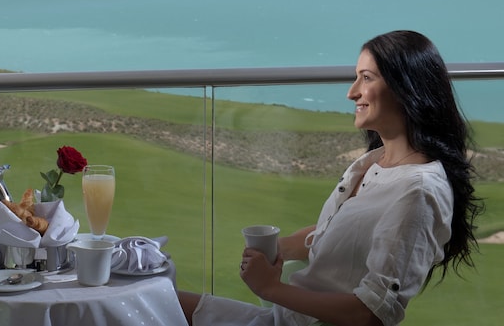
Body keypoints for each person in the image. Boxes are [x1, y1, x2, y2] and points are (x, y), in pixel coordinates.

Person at [177, 30, 482, 326]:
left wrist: (270, 288)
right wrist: (277, 248)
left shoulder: (418, 192)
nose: (352, 92)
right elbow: (348, 234)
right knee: (160, 299)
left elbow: (372, 314)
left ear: (407, 87)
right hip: (284, 318)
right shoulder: (372, 164)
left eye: (367, 78)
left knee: (155, 307)